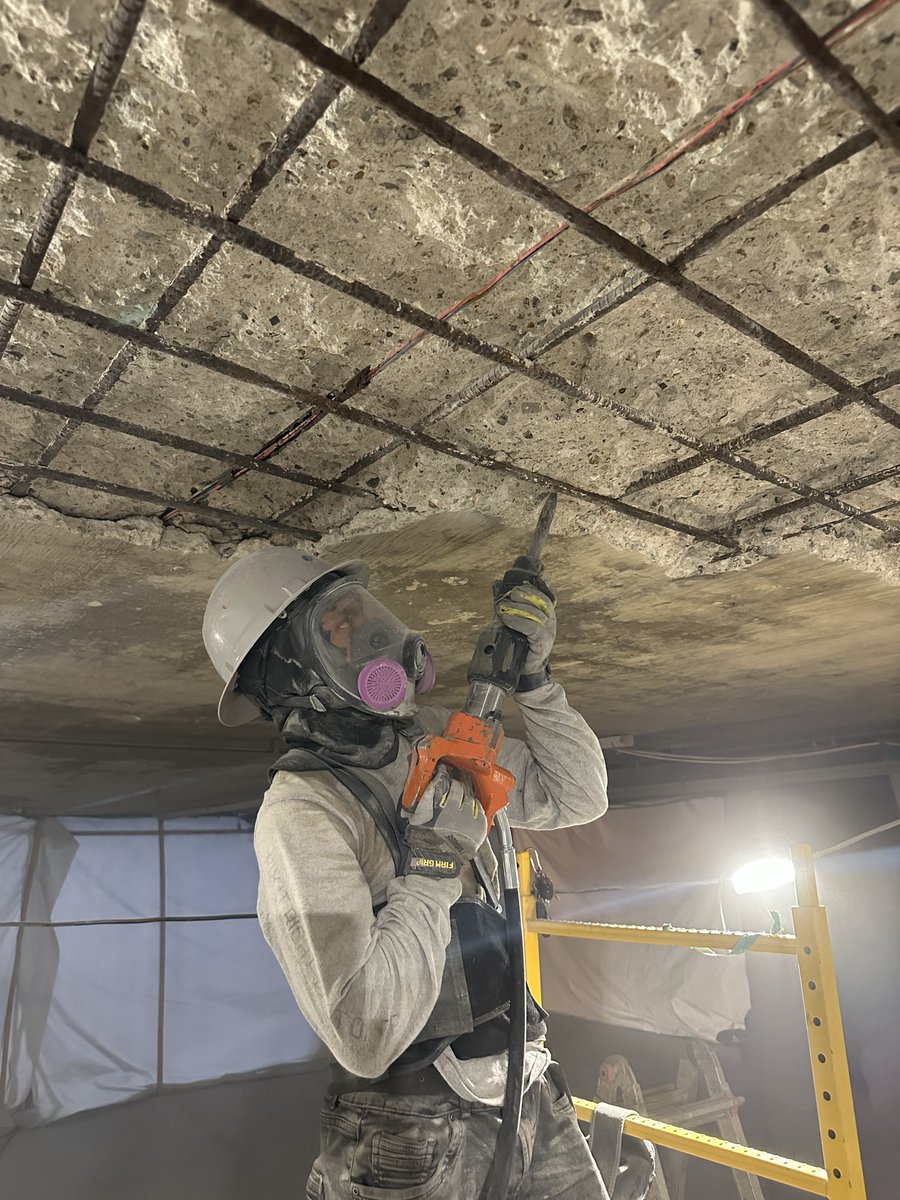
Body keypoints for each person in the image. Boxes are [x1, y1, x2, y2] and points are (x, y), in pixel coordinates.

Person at [203, 547, 610, 1198]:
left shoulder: (430, 739)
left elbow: (578, 796)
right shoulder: (301, 815)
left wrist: (535, 681)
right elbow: (364, 1036)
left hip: (525, 1079)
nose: (359, 632)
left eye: (354, 610)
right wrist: (432, 862)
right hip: (409, 1130)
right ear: (289, 675)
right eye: (328, 628)